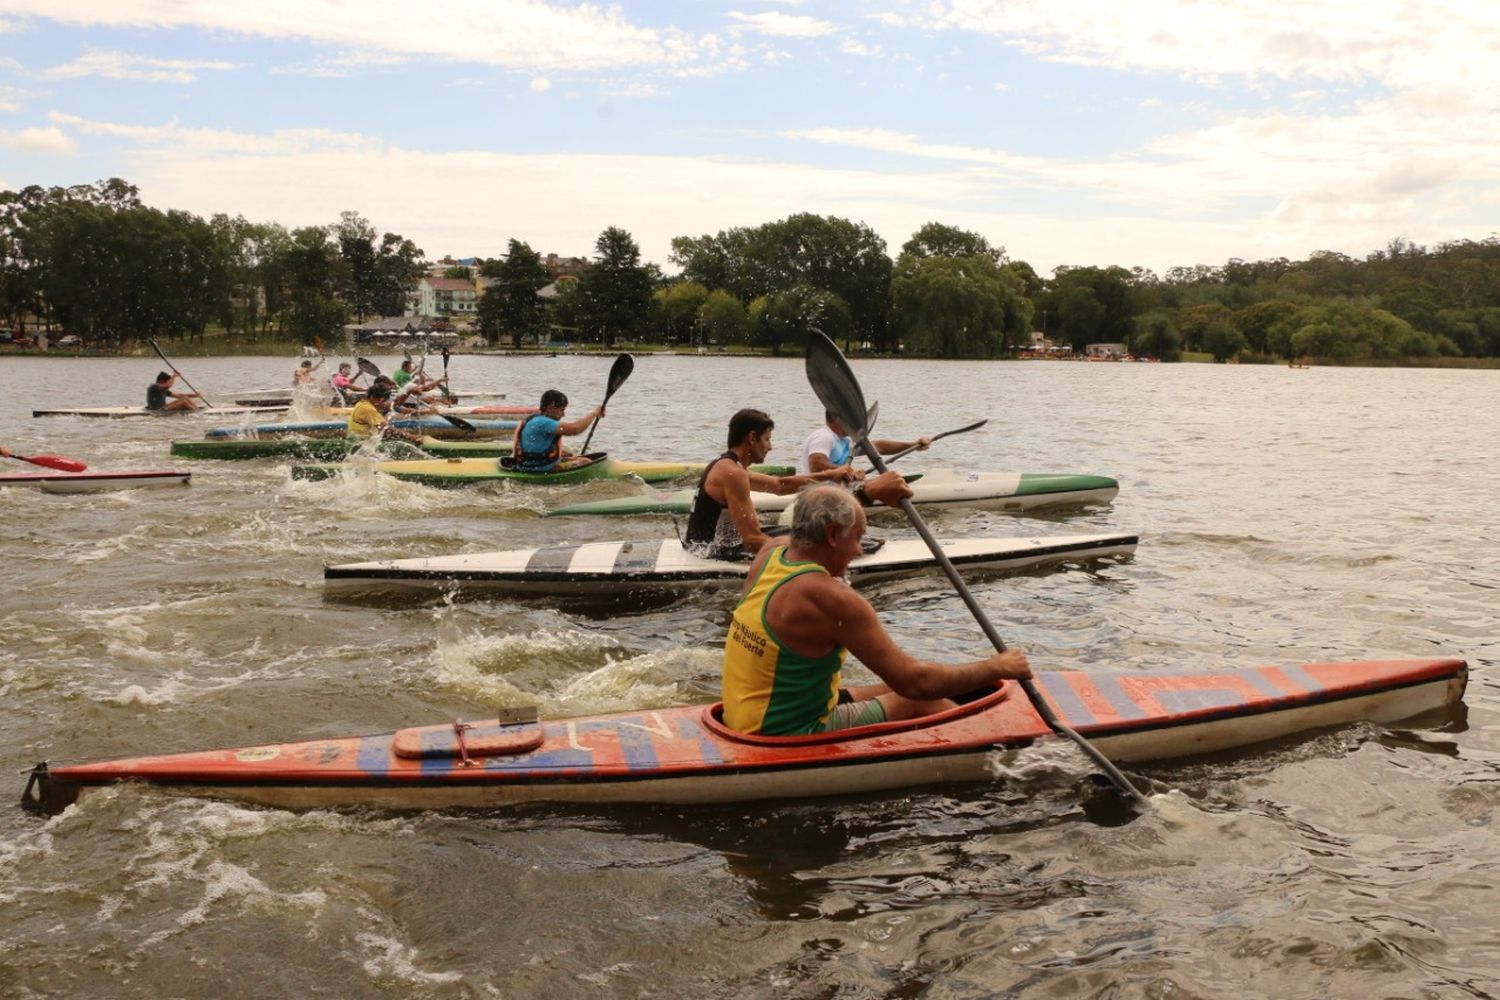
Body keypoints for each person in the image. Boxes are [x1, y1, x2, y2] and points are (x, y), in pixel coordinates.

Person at [721, 481, 1032, 736]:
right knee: (915, 701)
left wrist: (868, 493)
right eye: (858, 537)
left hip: (744, 712)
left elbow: (817, 518)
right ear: (832, 535)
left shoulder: (770, 553)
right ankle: (994, 746)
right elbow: (914, 682)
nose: (858, 549)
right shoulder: (831, 598)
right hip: (783, 731)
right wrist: (997, 667)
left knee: (886, 685)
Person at [685, 408, 862, 560]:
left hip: (708, 545)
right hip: (710, 552)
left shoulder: (729, 466)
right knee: (817, 538)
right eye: (767, 439)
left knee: (805, 532)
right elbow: (752, 540)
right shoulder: (733, 473)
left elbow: (780, 485)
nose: (770, 447)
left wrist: (830, 475)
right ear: (752, 438)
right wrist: (808, 552)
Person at [797, 411, 932, 475]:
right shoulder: (824, 436)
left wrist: (914, 445)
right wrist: (849, 472)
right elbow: (816, 465)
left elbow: (878, 447)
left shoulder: (844, 440)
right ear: (839, 419)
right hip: (818, 496)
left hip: (837, 492)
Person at [510, 389, 604, 472]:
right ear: (551, 408)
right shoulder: (543, 423)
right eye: (562, 410)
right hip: (538, 468)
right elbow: (576, 429)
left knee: (569, 454)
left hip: (526, 464)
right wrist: (594, 414)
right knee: (586, 462)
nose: (563, 414)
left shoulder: (535, 419)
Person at [346, 381, 421, 444]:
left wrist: (408, 392)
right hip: (360, 443)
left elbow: (394, 405)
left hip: (359, 440)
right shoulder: (368, 409)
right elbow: (386, 429)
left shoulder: (366, 402)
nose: (385, 403)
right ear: (380, 399)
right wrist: (412, 437)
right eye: (384, 401)